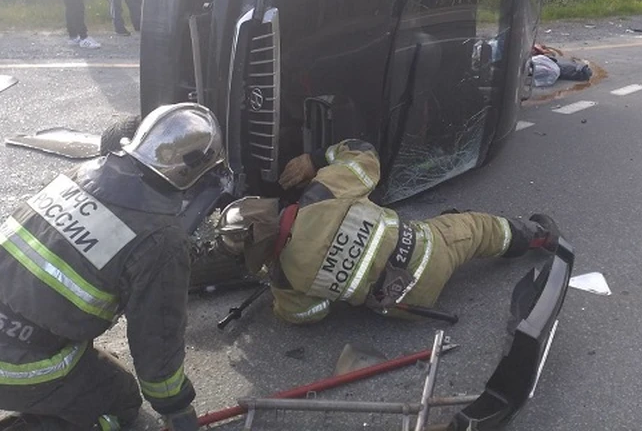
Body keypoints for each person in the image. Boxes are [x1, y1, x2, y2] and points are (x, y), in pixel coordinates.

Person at [0, 103, 226, 431]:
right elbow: (157, 340)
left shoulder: (83, 173)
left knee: (93, 371)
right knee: (120, 399)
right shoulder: (161, 239)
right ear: (194, 172)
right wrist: (176, 408)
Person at [217, 139, 563, 324]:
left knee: (449, 230)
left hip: (401, 306)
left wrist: (280, 291)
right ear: (267, 206)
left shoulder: (284, 280)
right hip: (430, 252)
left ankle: (449, 225)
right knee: (479, 230)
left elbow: (309, 314)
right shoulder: (321, 195)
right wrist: (316, 157)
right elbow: (365, 154)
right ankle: (540, 236)